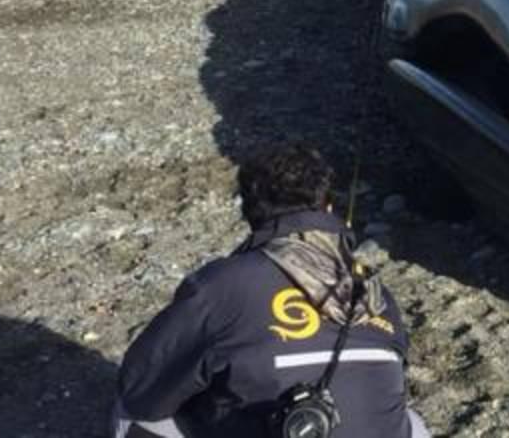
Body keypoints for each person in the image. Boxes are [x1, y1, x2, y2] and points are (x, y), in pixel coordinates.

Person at [114, 144, 428, 438]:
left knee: (132, 412)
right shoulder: (376, 293)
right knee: (411, 421)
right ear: (328, 207)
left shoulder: (222, 285)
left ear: (251, 214)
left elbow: (140, 389)